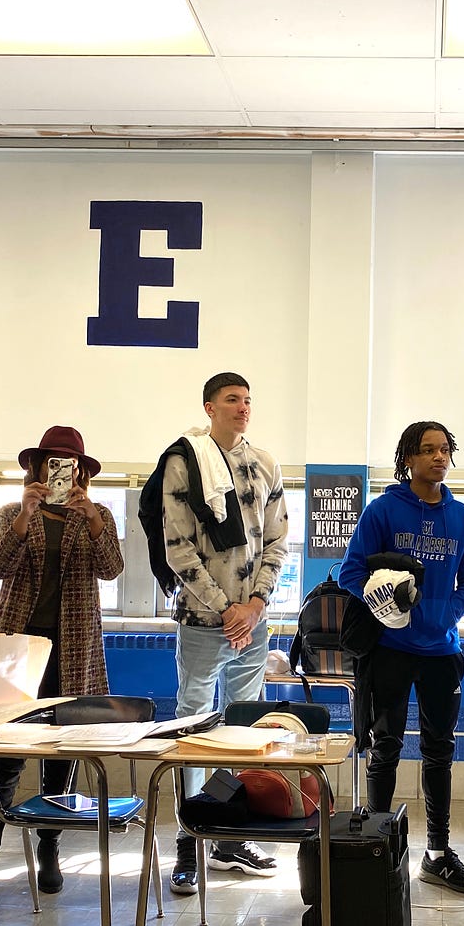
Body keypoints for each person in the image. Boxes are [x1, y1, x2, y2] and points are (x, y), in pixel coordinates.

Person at [0, 426, 125, 911]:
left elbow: (112, 568)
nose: (60, 469)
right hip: (17, 652)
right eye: (52, 460)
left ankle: (49, 848)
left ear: (80, 470)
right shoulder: (12, 512)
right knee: (5, 759)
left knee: (61, 757)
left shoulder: (96, 516)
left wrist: (94, 521)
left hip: (73, 651)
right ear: (36, 467)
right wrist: (24, 519)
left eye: (69, 461)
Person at [341, 420, 464, 894]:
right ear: (408, 459)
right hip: (390, 651)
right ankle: (380, 845)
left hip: (443, 651)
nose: (438, 458)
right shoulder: (384, 511)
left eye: (445, 450)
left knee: (439, 752)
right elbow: (349, 573)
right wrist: (381, 599)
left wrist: (446, 615)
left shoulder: (462, 516)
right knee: (384, 749)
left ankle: (438, 853)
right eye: (427, 451)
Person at [163, 372, 289, 894]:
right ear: (210, 406)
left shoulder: (264, 465)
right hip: (202, 621)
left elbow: (278, 542)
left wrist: (255, 605)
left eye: (248, 400)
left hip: (252, 621)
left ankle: (229, 837)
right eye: (233, 400)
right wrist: (225, 610)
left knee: (244, 730)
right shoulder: (183, 462)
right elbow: (179, 549)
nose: (243, 408)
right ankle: (190, 838)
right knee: (194, 729)